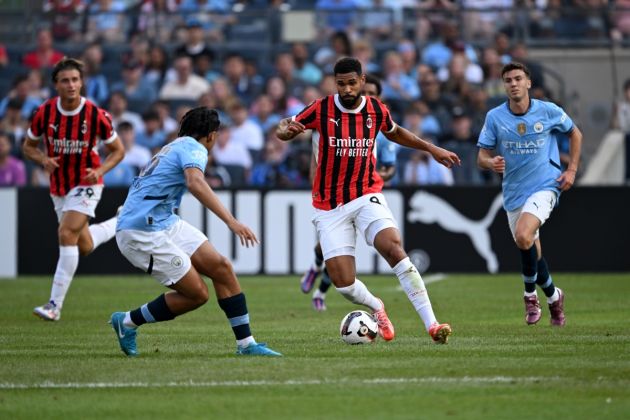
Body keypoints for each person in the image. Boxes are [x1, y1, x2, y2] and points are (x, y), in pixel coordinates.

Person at [277, 58, 460, 343]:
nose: (347, 89)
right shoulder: (320, 108)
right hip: (329, 205)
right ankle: (377, 306)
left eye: (352, 83)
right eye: (341, 84)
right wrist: (284, 130)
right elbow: (287, 127)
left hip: (366, 194)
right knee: (343, 284)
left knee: (394, 247)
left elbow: (396, 132)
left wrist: (430, 148)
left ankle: (433, 325)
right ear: (334, 83)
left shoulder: (376, 110)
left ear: (362, 81)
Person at [110, 107, 281, 357]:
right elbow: (195, 182)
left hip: (163, 220)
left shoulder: (176, 145)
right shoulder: (194, 148)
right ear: (211, 135)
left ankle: (247, 345)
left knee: (221, 267)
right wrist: (232, 222)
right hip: (140, 233)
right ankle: (127, 322)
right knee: (197, 294)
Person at [477, 62, 582, 327]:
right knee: (529, 248)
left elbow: (574, 133)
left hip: (545, 186)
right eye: (508, 80)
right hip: (514, 192)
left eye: (517, 78)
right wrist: (491, 163)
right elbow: (482, 156)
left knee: (524, 235)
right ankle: (554, 297)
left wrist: (571, 170)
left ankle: (529, 297)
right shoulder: (495, 117)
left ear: (528, 83)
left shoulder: (547, 111)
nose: (513, 83)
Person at [23, 57, 125, 321]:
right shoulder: (44, 113)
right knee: (84, 244)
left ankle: (54, 305)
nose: (71, 85)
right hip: (59, 186)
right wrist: (43, 159)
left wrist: (100, 171)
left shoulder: (96, 114)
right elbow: (28, 147)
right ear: (55, 85)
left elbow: (118, 151)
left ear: (82, 83)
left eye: (75, 80)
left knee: (66, 233)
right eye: (65, 80)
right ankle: (120, 220)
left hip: (87, 182)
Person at [300, 74, 399, 312]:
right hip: (333, 196)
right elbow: (318, 157)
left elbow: (391, 167)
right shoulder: (334, 118)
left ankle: (320, 294)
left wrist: (382, 175)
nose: (368, 98)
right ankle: (315, 267)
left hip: (365, 193)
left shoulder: (382, 129)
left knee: (345, 254)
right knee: (326, 248)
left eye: (373, 95)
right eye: (367, 94)